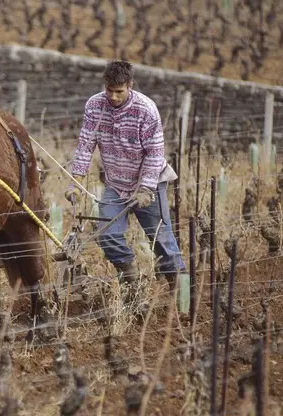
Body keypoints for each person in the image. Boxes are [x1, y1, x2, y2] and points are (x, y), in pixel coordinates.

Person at [65, 60, 185, 291]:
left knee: (161, 239)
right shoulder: (95, 106)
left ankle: (181, 290)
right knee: (107, 235)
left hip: (148, 185)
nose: (113, 97)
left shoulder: (146, 110)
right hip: (115, 185)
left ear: (130, 85)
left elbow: (154, 153)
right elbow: (85, 145)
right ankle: (131, 280)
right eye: (109, 90)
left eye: (119, 92)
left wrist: (146, 189)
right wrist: (76, 182)